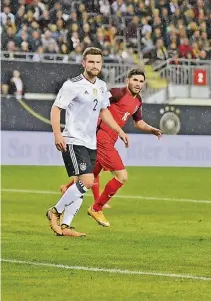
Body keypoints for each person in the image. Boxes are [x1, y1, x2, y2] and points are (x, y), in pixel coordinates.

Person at [59, 69, 163, 227]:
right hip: (101, 138)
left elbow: (138, 122)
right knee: (122, 176)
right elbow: (97, 103)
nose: (138, 84)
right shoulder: (117, 93)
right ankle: (96, 208)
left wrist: (151, 129)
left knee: (88, 177)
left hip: (109, 139)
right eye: (135, 80)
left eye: (141, 81)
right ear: (128, 80)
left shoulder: (138, 101)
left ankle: (63, 204)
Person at [46, 47, 129, 237]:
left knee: (79, 184)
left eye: (98, 62)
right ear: (83, 63)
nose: (94, 65)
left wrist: (119, 130)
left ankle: (66, 226)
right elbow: (56, 109)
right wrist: (57, 134)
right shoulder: (72, 84)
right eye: (90, 62)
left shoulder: (101, 85)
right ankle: (54, 211)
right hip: (74, 139)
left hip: (91, 142)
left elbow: (104, 112)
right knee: (88, 181)